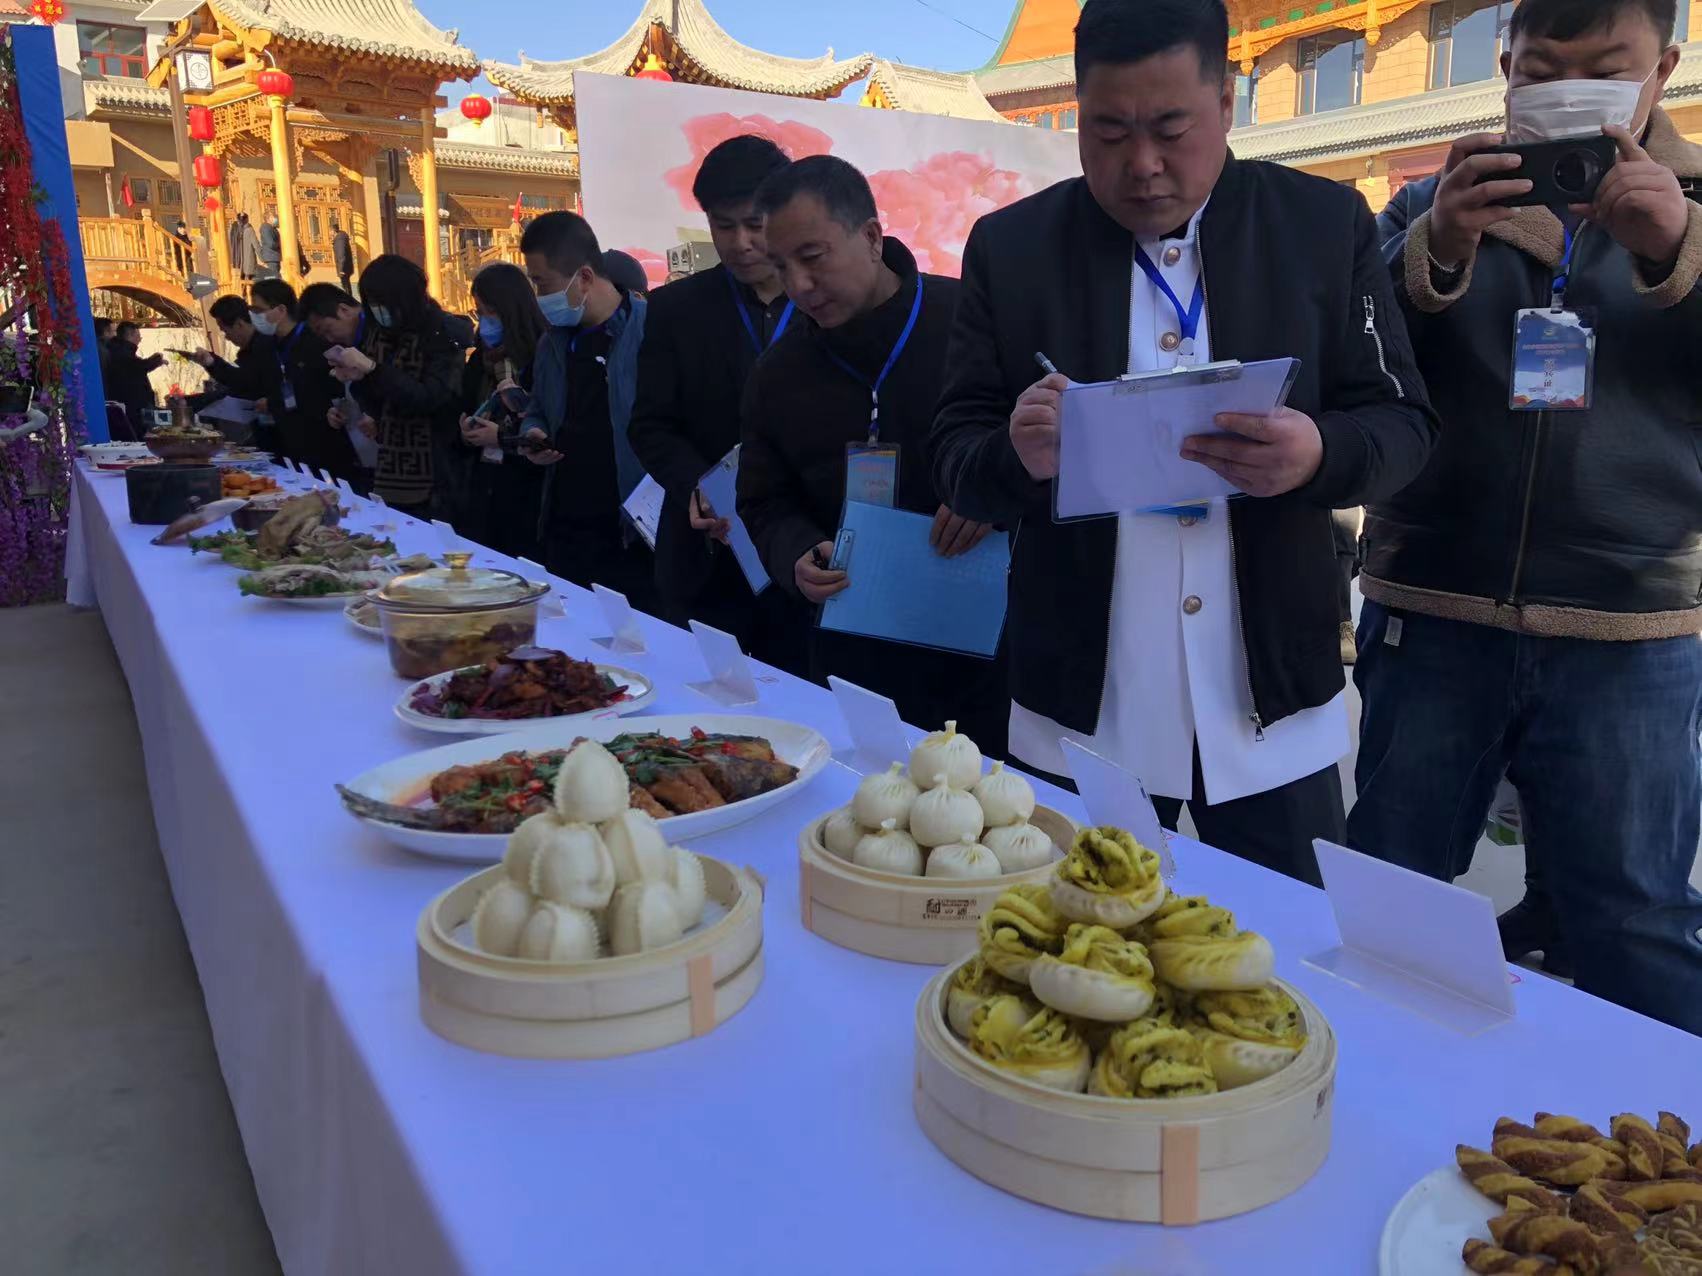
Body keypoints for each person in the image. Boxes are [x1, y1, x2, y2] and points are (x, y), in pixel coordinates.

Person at [929, 0, 1438, 883]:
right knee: (1073, 938)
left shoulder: (1321, 226)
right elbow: (953, 454)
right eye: (1108, 132)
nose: (1142, 165)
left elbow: (1404, 424)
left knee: (1291, 941)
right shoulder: (1012, 250)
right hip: (1085, 703)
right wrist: (1017, 455)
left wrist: (1318, 454)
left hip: (1269, 699)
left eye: (1171, 129)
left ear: (1227, 102)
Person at [1352, 0, 1702, 1033]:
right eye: (1542, 69)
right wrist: (1438, 248)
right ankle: (1369, 1087)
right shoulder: (1432, 199)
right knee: (1392, 886)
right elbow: (1354, 366)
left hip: (1632, 620)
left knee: (1636, 919)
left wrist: (1675, 252)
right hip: (1432, 603)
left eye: (1605, 65)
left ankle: (1658, 1127)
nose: (1568, 90)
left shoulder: (1695, 204)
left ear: (1663, 67)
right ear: (1504, 68)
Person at [736, 155, 1009, 753]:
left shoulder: (973, 323)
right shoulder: (778, 373)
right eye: (782, 267)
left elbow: (1046, 446)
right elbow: (762, 499)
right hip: (854, 652)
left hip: (988, 651)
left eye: (813, 257)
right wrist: (795, 553)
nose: (799, 286)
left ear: (870, 236)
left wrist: (993, 492)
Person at [628, 134, 808, 674]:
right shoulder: (674, 310)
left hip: (802, 554)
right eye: (723, 226)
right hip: (704, 558)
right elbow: (650, 424)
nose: (740, 243)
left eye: (755, 224)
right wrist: (698, 485)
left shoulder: (823, 301)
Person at [516, 211, 657, 609]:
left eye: (542, 283)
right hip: (565, 527)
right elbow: (538, 409)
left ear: (584, 277)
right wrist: (532, 433)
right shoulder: (553, 343)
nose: (538, 296)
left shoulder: (652, 332)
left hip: (632, 535)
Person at [323, 255, 471, 519]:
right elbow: (378, 405)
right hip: (390, 467)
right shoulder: (378, 334)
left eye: (383, 302)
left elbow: (429, 398)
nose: (378, 310)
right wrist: (357, 379)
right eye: (372, 303)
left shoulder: (443, 333)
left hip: (438, 469)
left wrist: (374, 370)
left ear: (406, 298)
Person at [458, 262, 548, 560]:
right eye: (479, 312)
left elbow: (550, 425)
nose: (485, 322)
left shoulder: (541, 354)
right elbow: (462, 406)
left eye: (490, 312)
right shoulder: (479, 360)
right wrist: (467, 430)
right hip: (484, 488)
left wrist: (502, 437)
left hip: (527, 493)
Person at [247, 278, 358, 483]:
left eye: (259, 310)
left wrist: (275, 402)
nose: (255, 316)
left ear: (281, 309)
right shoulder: (267, 345)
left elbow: (330, 390)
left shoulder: (316, 340)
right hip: (289, 439)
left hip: (327, 441)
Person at [188, 294, 278, 450]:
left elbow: (244, 382)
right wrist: (211, 362)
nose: (227, 337)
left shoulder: (266, 347)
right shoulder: (249, 351)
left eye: (225, 331)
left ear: (239, 324)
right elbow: (237, 379)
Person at [105, 321, 165, 436]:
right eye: (138, 336)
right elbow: (137, 367)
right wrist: (156, 359)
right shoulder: (121, 353)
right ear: (130, 335)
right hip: (134, 406)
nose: (139, 340)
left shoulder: (118, 350)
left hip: (133, 404)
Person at [235, 213, 260, 281]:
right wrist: (262, 258)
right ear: (247, 219)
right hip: (249, 264)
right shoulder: (249, 230)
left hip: (239, 264)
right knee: (252, 283)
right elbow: (256, 245)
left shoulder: (236, 231)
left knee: (243, 284)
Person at [332, 221, 355, 294]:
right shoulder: (341, 237)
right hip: (345, 266)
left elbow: (341, 253)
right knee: (346, 286)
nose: (330, 233)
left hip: (344, 267)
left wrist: (341, 269)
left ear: (333, 230)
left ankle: (349, 299)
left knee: (346, 286)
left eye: (330, 231)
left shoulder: (339, 239)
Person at [258, 210, 282, 276]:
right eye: (274, 216)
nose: (275, 218)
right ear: (269, 218)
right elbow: (271, 244)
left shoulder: (272, 227)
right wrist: (280, 245)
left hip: (274, 257)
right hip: (271, 257)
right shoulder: (266, 228)